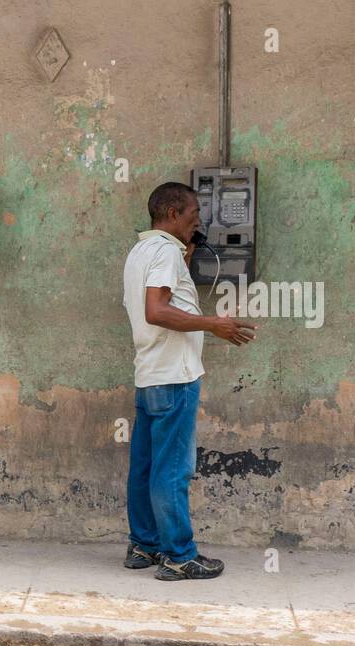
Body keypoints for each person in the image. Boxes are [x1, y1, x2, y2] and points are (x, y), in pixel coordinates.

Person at [122, 182, 257, 580]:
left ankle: (143, 546)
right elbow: (157, 310)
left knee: (145, 467)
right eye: (193, 212)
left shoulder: (143, 251)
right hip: (175, 376)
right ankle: (180, 555)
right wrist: (214, 324)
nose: (199, 218)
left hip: (150, 374)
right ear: (171, 213)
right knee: (173, 469)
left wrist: (186, 256)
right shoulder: (164, 252)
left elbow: (159, 301)